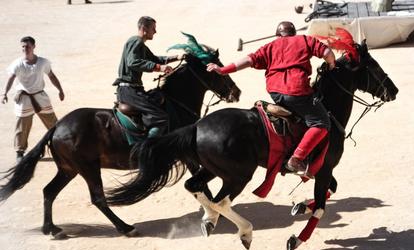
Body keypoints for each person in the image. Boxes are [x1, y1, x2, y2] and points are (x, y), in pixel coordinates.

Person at [207, 21, 336, 176]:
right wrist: (331, 65)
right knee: (321, 122)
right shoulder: (304, 40)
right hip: (297, 90)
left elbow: (248, 60)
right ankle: (296, 158)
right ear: (293, 33)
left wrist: (222, 69)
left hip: (276, 93)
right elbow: (328, 53)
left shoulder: (269, 47)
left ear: (277, 35)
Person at [113, 16, 183, 138]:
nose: (155, 32)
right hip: (129, 91)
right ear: (144, 28)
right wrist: (158, 67)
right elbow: (133, 62)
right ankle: (147, 150)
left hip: (133, 89)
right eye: (153, 28)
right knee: (160, 117)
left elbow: (155, 59)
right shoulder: (136, 41)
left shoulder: (140, 44)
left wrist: (177, 57)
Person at [1, 36, 65, 163]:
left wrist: (60, 90)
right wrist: (4, 93)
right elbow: (11, 78)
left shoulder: (43, 62)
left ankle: (61, 146)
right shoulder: (17, 63)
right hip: (24, 98)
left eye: (28, 46)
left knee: (53, 123)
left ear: (34, 47)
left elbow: (51, 76)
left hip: (40, 96)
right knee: (22, 126)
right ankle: (20, 152)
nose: (25, 49)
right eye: (23, 47)